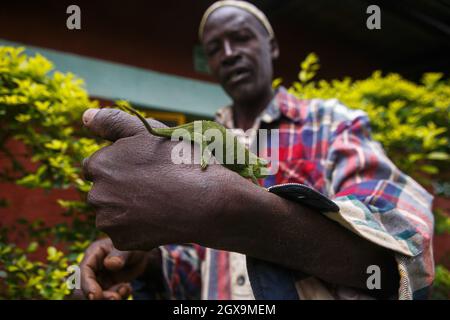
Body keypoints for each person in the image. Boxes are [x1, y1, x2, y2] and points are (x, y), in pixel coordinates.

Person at [79, 0, 434, 300]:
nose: (229, 54)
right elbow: (208, 270)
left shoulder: (332, 123)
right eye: (215, 49)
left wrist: (237, 211)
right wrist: (149, 261)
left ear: (272, 46)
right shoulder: (212, 136)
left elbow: (411, 252)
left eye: (242, 38)